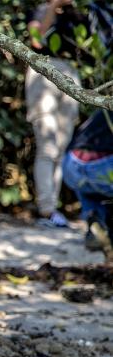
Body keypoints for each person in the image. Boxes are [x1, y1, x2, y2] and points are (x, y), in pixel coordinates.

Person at [26, 0, 90, 228]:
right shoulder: (41, 10)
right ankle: (47, 210)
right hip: (44, 70)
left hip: (71, 72)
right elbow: (36, 39)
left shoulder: (78, 16)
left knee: (61, 148)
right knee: (48, 146)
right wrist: (53, 7)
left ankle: (53, 208)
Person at [62, 109, 113, 259]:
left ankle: (95, 218)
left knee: (91, 188)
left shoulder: (104, 106)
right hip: (100, 168)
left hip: (70, 165)